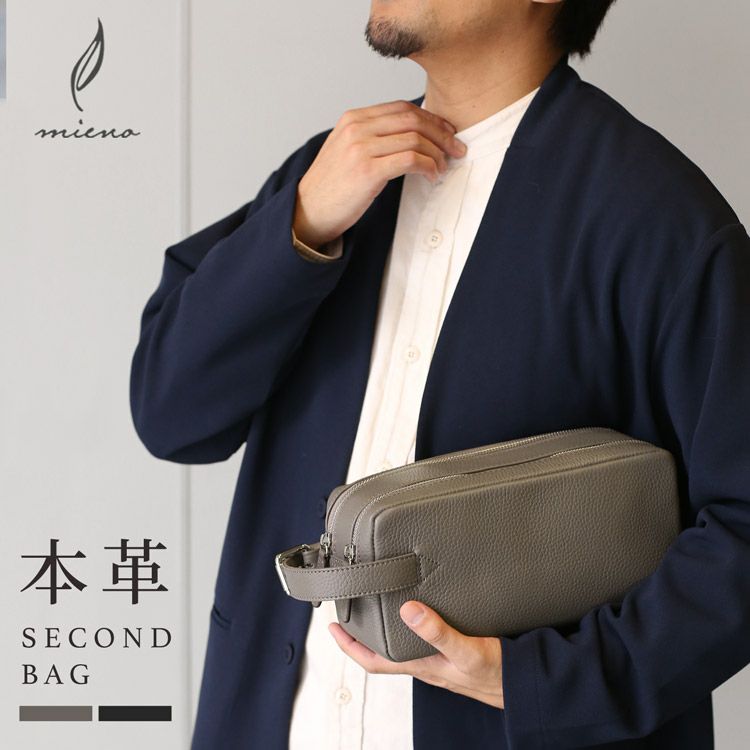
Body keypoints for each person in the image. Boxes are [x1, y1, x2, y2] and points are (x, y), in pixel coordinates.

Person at [129, 0, 750, 748]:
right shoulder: (331, 176)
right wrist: (302, 223)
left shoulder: (658, 217)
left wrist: (548, 679)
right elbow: (171, 413)